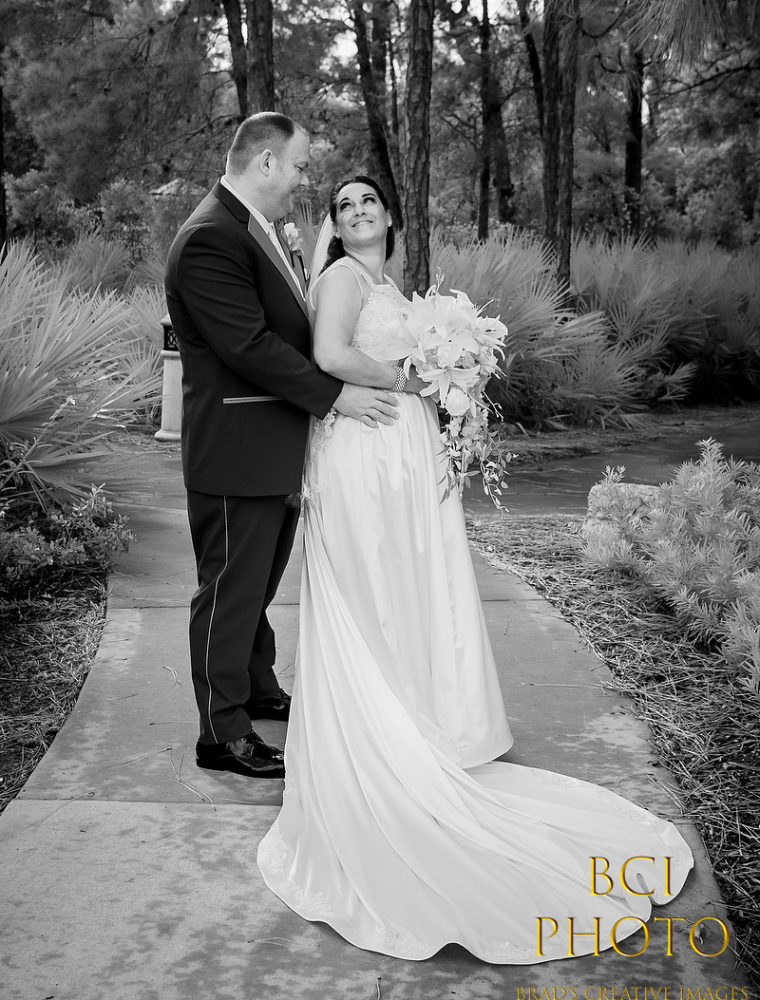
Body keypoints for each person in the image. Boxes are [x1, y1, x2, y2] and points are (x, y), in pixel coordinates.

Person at [256, 175, 695, 963]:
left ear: (391, 218)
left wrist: (447, 377)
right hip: (361, 453)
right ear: (336, 225)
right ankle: (382, 743)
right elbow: (328, 356)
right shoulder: (339, 279)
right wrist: (416, 377)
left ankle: (418, 722)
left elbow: (386, 358)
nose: (357, 213)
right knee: (369, 591)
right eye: (344, 206)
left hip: (397, 448)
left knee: (406, 592)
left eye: (369, 203)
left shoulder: (389, 283)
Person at [164, 115, 404, 780]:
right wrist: (336, 398)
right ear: (266, 162)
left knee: (258, 584)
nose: (304, 179)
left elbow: (285, 324)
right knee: (229, 591)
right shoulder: (211, 236)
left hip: (273, 445)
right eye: (299, 165)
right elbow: (250, 347)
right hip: (236, 450)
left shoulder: (252, 230)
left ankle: (257, 687)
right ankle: (222, 732)